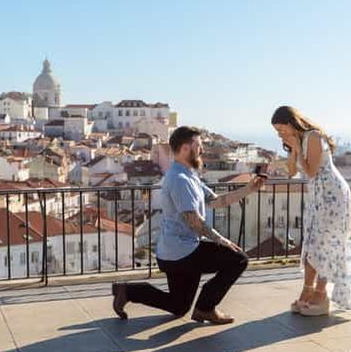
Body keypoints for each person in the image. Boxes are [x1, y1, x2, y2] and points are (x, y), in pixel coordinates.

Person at [111, 126, 266, 324]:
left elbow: (216, 201)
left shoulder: (188, 175)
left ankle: (126, 291)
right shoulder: (179, 179)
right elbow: (194, 221)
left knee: (179, 306)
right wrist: (222, 240)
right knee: (239, 259)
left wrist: (249, 189)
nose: (202, 150)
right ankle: (205, 309)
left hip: (175, 252)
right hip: (182, 251)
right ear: (185, 148)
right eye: (198, 146)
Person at [272, 106, 351, 315]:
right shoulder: (297, 141)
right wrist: (293, 149)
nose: (280, 134)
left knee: (325, 244)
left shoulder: (313, 136)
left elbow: (311, 171)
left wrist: (297, 147)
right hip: (316, 197)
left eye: (281, 129)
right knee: (312, 243)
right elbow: (292, 172)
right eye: (277, 131)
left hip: (332, 194)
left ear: (291, 123)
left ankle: (321, 295)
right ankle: (307, 290)